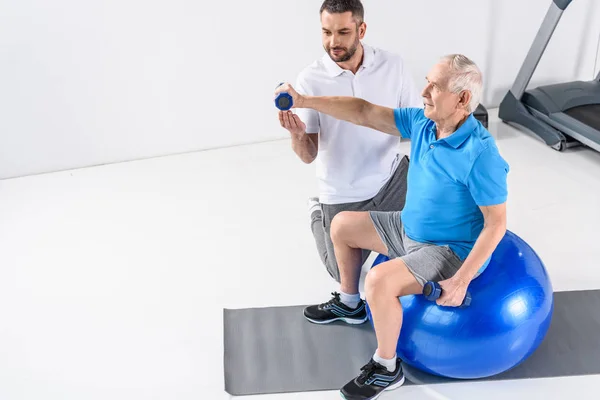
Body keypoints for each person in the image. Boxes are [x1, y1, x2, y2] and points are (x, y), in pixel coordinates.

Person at [274, 54, 509, 400]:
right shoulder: (424, 124)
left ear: (462, 99)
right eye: (426, 80)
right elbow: (363, 111)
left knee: (379, 280)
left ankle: (387, 367)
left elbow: (496, 223)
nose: (424, 91)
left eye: (435, 86)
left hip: (447, 249)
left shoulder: (481, 154)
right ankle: (350, 303)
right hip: (407, 228)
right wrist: (306, 101)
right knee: (341, 225)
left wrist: (460, 281)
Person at [278, 0, 422, 283]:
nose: (333, 42)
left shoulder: (392, 65)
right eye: (326, 32)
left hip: (392, 179)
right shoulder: (310, 80)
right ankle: (318, 211)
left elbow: (418, 125)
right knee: (344, 276)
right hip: (343, 195)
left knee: (430, 240)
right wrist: (297, 135)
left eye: (343, 32)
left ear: (362, 29)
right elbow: (308, 155)